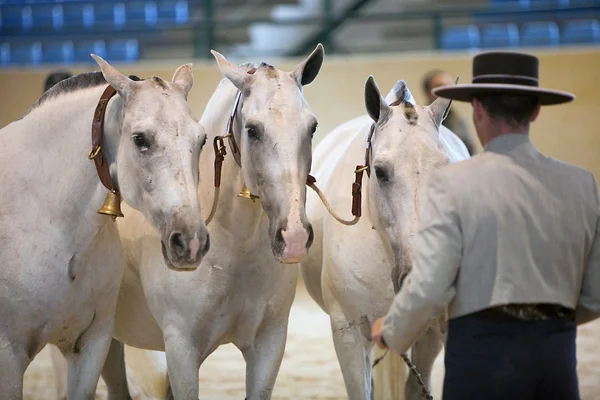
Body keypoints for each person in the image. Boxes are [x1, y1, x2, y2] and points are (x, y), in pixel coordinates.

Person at [371, 51, 600, 400]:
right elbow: (595, 296)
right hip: (555, 360)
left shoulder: (453, 183)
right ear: (535, 111)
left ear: (477, 110)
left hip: (480, 359)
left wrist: (392, 330)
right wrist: (546, 324)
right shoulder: (583, 184)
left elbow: (431, 285)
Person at [422, 69, 480, 155]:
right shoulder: (418, 121)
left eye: (448, 87)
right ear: (427, 92)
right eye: (439, 86)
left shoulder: (459, 122)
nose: (445, 91)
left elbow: (470, 151)